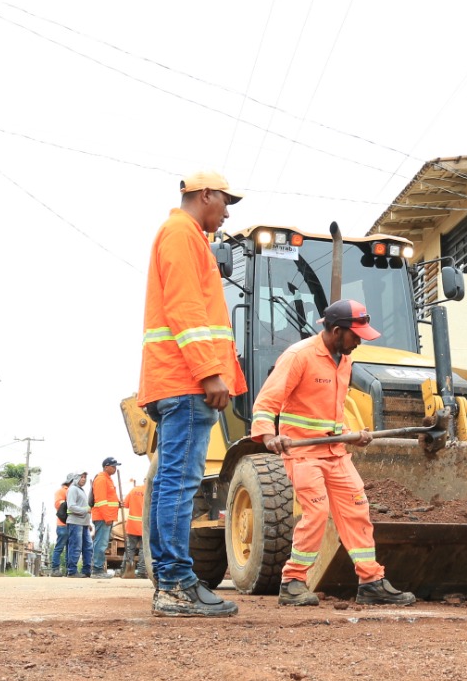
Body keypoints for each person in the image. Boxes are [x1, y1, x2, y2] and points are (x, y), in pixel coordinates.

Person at [251, 299, 416, 607]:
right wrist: (267, 435)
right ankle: (293, 582)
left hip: (335, 451)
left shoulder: (344, 359)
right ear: (337, 331)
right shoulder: (299, 356)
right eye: (356, 336)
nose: (360, 342)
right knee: (316, 512)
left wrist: (353, 433)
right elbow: (266, 401)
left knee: (357, 508)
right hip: (303, 452)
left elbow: (331, 411)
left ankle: (371, 581)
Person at [138, 170, 249, 617]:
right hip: (186, 382)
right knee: (179, 485)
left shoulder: (183, 235)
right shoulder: (182, 235)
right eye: (225, 202)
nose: (226, 211)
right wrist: (209, 373)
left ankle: (172, 581)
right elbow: (185, 309)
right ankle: (176, 585)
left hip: (177, 380)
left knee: (172, 484)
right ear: (205, 195)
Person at [89, 457, 121, 579]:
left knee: (102, 543)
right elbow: (101, 501)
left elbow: (109, 498)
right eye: (113, 466)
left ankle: (98, 569)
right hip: (103, 517)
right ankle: (97, 570)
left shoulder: (107, 479)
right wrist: (107, 517)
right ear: (106, 466)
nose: (115, 468)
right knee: (101, 543)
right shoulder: (102, 479)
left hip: (106, 517)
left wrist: (118, 503)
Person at [64, 470, 93, 577]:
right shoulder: (73, 489)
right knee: (75, 547)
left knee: (88, 547)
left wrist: (88, 522)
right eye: (82, 477)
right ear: (76, 478)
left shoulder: (81, 490)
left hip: (84, 523)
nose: (84, 479)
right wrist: (86, 510)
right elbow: (71, 506)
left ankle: (86, 570)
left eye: (85, 477)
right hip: (75, 523)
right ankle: (72, 571)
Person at [119, 481, 147, 579]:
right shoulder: (151, 491)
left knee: (129, 549)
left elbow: (125, 504)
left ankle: (124, 570)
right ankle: (142, 572)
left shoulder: (134, 490)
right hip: (145, 527)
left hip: (132, 526)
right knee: (144, 550)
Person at [50, 478, 71, 577]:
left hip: (71, 524)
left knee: (69, 548)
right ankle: (55, 569)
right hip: (62, 524)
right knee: (59, 548)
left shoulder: (70, 491)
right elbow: (58, 504)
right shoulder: (62, 491)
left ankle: (69, 570)